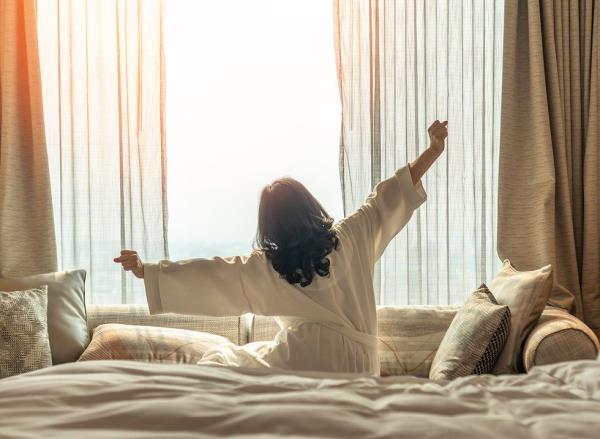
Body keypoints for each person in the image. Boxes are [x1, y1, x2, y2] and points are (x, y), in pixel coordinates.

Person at [114, 120, 448, 375]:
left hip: (305, 361)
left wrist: (149, 271)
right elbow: (389, 195)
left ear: (269, 225)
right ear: (309, 205)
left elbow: (213, 274)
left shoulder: (269, 266)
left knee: (220, 360)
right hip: (360, 366)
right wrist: (432, 150)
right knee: (239, 356)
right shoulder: (353, 235)